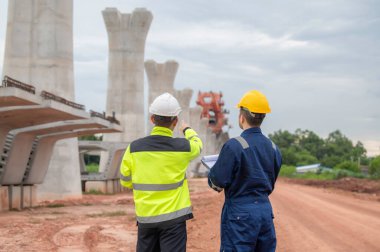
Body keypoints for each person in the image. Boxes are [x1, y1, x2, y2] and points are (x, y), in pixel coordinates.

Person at [120, 92, 203, 252]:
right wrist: (187, 129)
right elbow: (198, 144)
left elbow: (125, 180)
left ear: (152, 119)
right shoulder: (182, 147)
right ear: (175, 121)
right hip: (174, 220)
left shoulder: (134, 148)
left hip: (146, 218)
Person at [208, 90, 282, 252]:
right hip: (265, 212)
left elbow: (217, 182)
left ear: (241, 117)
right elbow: (271, 178)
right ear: (262, 117)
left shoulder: (234, 146)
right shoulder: (274, 148)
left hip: (239, 214)